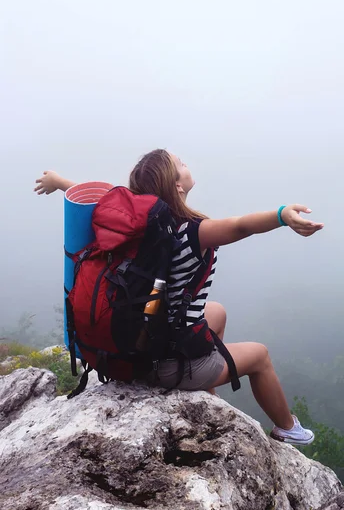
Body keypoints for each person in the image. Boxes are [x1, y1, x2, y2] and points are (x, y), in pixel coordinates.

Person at [34, 149, 324, 445]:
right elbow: (241, 226)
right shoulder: (192, 232)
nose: (186, 164)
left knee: (217, 312)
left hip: (139, 342)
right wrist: (282, 215)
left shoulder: (134, 224)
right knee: (260, 356)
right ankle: (289, 429)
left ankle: (207, 395)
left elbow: (96, 197)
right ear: (177, 185)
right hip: (162, 362)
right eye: (180, 164)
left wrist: (59, 182)